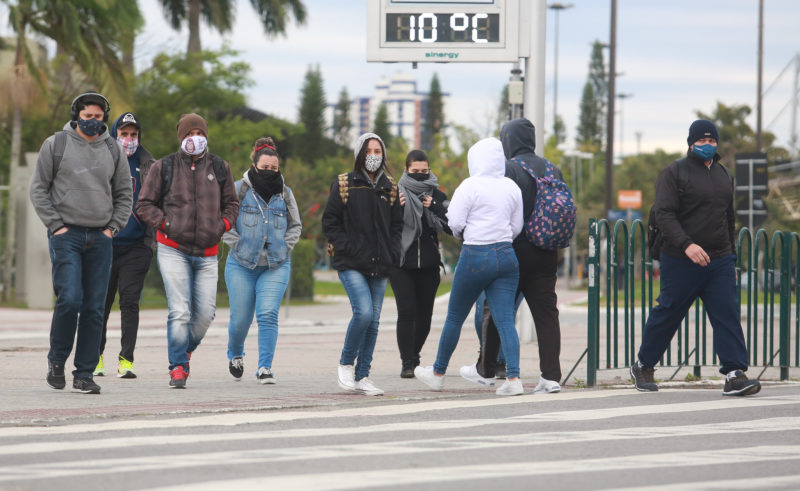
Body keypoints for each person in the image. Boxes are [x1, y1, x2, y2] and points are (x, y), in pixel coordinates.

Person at [630, 119, 761, 396]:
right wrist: (687, 245)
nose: (707, 145)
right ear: (691, 143)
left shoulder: (725, 175)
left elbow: (728, 219)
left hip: (719, 260)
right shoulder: (674, 172)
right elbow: (664, 214)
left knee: (727, 313)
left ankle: (735, 374)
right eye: (702, 141)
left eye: (712, 141)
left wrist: (732, 258)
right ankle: (643, 365)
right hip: (680, 258)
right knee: (668, 312)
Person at [29, 92, 133, 394]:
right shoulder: (56, 144)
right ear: (77, 115)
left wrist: (113, 227)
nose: (93, 122)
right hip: (66, 236)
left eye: (99, 117)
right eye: (88, 116)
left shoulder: (113, 149)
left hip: (101, 237)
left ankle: (84, 373)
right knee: (70, 299)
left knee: (94, 307)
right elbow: (38, 190)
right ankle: (56, 360)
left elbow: (124, 193)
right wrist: (56, 226)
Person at [414, 137, 525, 396]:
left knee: (455, 316)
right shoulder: (511, 187)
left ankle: (438, 373)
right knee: (505, 319)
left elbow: (454, 223)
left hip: (476, 253)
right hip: (507, 255)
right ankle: (513, 379)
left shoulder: (469, 185)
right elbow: (517, 226)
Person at [136, 113, 239, 389]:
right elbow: (144, 204)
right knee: (179, 310)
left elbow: (232, 203)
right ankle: (178, 367)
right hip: (173, 249)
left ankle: (184, 350)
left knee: (205, 315)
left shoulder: (220, 167)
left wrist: (223, 224)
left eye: (201, 132)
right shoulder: (163, 167)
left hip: (207, 252)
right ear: (181, 137)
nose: (196, 137)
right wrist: (166, 223)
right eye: (190, 132)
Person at [471, 118, 566, 394]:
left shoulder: (509, 168)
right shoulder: (553, 169)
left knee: (497, 308)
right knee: (547, 315)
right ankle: (550, 376)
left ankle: (486, 369)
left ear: (508, 140)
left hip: (515, 250)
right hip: (548, 252)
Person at [322, 132, 403, 396]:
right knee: (364, 313)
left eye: (378, 151)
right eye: (368, 151)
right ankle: (346, 362)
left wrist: (392, 252)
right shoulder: (345, 182)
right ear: (359, 154)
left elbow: (396, 225)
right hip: (351, 262)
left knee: (375, 321)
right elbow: (330, 221)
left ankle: (363, 375)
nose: (373, 156)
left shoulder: (390, 187)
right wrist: (346, 247)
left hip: (381, 263)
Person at [222, 137, 302, 384]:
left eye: (274, 169)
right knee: (241, 320)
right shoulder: (238, 190)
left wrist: (283, 248)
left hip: (276, 266)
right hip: (241, 265)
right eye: (265, 167)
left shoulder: (285, 194)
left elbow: (295, 226)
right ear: (254, 165)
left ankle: (265, 367)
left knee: (268, 314)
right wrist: (239, 244)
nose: (269, 172)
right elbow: (223, 221)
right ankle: (235, 353)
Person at [95, 112, 155, 379]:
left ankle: (126, 360)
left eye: (133, 135)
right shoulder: (99, 159)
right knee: (100, 305)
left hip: (137, 247)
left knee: (130, 303)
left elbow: (157, 202)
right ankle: (94, 357)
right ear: (114, 135)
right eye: (124, 134)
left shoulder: (149, 165)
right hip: (104, 245)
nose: (128, 139)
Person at [390, 150, 452, 378]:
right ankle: (407, 362)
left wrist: (434, 205)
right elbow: (383, 224)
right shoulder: (394, 192)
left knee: (425, 317)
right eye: (415, 172)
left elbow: (452, 224)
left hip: (429, 265)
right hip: (401, 264)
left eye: (424, 172)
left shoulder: (437, 194)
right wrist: (395, 207)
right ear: (406, 170)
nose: (419, 175)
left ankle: (415, 355)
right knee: (406, 312)